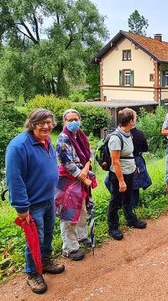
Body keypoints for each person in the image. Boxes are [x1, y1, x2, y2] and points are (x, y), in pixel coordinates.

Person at [5, 108, 65, 294]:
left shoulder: (47, 141)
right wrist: (22, 207)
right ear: (32, 123)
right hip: (32, 204)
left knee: (47, 234)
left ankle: (45, 262)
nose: (46, 126)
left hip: (48, 198)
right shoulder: (18, 146)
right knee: (34, 239)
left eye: (49, 123)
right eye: (41, 123)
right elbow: (15, 179)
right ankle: (32, 273)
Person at [55, 109, 95, 262]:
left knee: (83, 209)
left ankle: (82, 236)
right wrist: (83, 178)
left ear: (80, 120)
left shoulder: (81, 136)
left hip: (82, 177)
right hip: (69, 180)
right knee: (69, 214)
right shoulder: (63, 139)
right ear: (64, 122)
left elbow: (88, 156)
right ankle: (69, 248)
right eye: (69, 120)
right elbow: (67, 163)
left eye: (75, 119)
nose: (73, 122)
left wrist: (85, 170)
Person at [106, 108, 147, 239]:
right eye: (134, 118)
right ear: (130, 121)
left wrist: (133, 167)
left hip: (129, 171)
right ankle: (113, 227)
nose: (135, 120)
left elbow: (129, 154)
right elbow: (115, 161)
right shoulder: (116, 138)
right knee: (116, 200)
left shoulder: (128, 133)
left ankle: (131, 219)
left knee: (128, 198)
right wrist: (121, 180)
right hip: (119, 174)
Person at [130, 126, 152, 211]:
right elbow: (145, 148)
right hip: (137, 159)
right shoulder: (139, 133)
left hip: (121, 161)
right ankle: (133, 207)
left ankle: (125, 206)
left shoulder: (118, 134)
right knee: (135, 186)